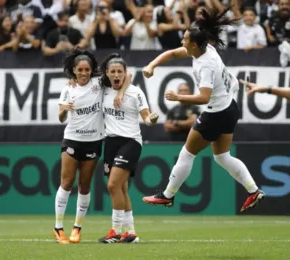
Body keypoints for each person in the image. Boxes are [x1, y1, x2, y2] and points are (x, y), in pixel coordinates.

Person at [141, 7, 265, 213]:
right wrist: (152, 65)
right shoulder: (205, 49)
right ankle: (253, 190)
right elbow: (172, 53)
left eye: (185, 39)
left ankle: (167, 195)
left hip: (215, 113)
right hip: (229, 108)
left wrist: (178, 97)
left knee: (187, 153)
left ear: (195, 44)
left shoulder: (205, 65)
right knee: (222, 157)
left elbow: (204, 97)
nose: (182, 42)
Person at [53, 49, 128, 245]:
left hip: (94, 141)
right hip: (71, 139)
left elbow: (125, 75)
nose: (84, 73)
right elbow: (61, 118)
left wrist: (120, 92)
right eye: (80, 70)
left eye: (87, 69)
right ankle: (58, 227)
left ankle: (77, 228)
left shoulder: (99, 83)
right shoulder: (68, 89)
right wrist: (63, 110)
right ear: (74, 70)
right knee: (67, 183)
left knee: (84, 186)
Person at [98, 53, 159, 243]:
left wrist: (151, 120)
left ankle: (115, 231)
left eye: (120, 72)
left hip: (130, 142)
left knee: (112, 185)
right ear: (107, 73)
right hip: (110, 142)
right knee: (122, 189)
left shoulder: (135, 92)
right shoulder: (103, 91)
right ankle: (130, 233)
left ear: (125, 73)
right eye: (113, 71)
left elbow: (146, 118)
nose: (116, 75)